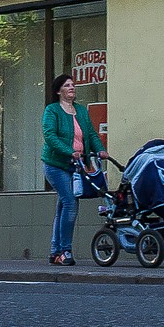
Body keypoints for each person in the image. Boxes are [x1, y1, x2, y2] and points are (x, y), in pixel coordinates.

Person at [41, 73, 106, 266]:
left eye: (73, 85)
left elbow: (91, 135)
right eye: (68, 85)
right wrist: (70, 151)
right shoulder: (52, 111)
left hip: (76, 166)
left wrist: (100, 150)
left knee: (63, 206)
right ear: (58, 90)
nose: (72, 88)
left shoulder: (81, 111)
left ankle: (55, 252)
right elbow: (50, 136)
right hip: (56, 165)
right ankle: (65, 250)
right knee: (70, 203)